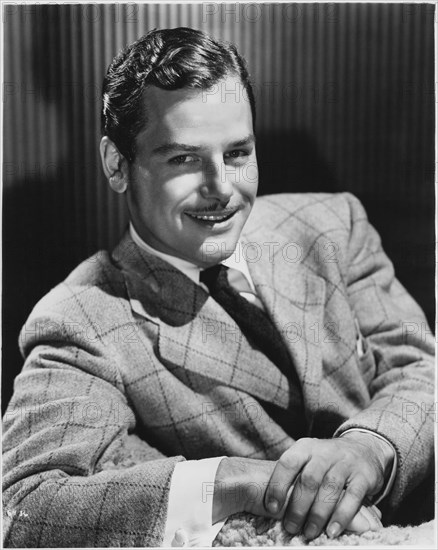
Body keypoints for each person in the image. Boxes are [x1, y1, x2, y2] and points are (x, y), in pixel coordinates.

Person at [2, 27, 434, 548]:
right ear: (117, 165)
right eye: (184, 159)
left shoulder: (332, 224)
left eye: (237, 153)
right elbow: (25, 509)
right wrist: (231, 481)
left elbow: (418, 367)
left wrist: (369, 446)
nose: (221, 188)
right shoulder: (82, 321)